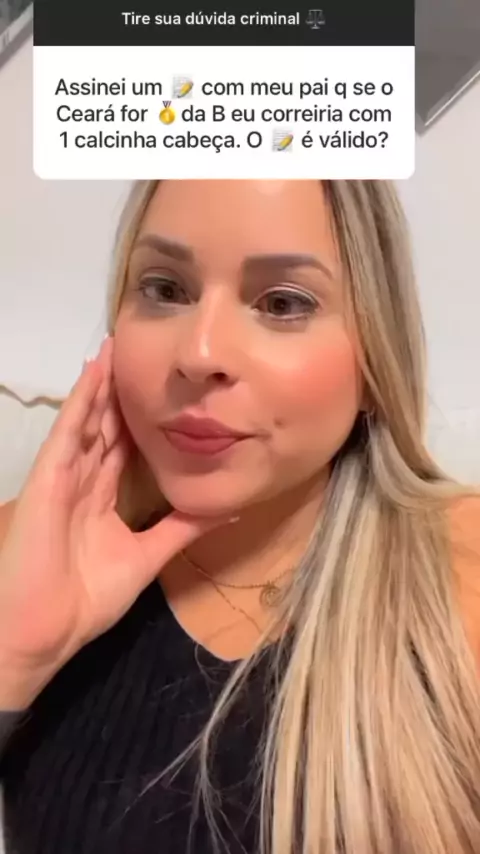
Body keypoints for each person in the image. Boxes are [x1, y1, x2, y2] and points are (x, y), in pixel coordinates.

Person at [0, 179, 479, 854]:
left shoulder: (459, 576)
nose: (199, 354)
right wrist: (15, 657)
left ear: (377, 359)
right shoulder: (25, 548)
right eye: (165, 288)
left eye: (283, 303)